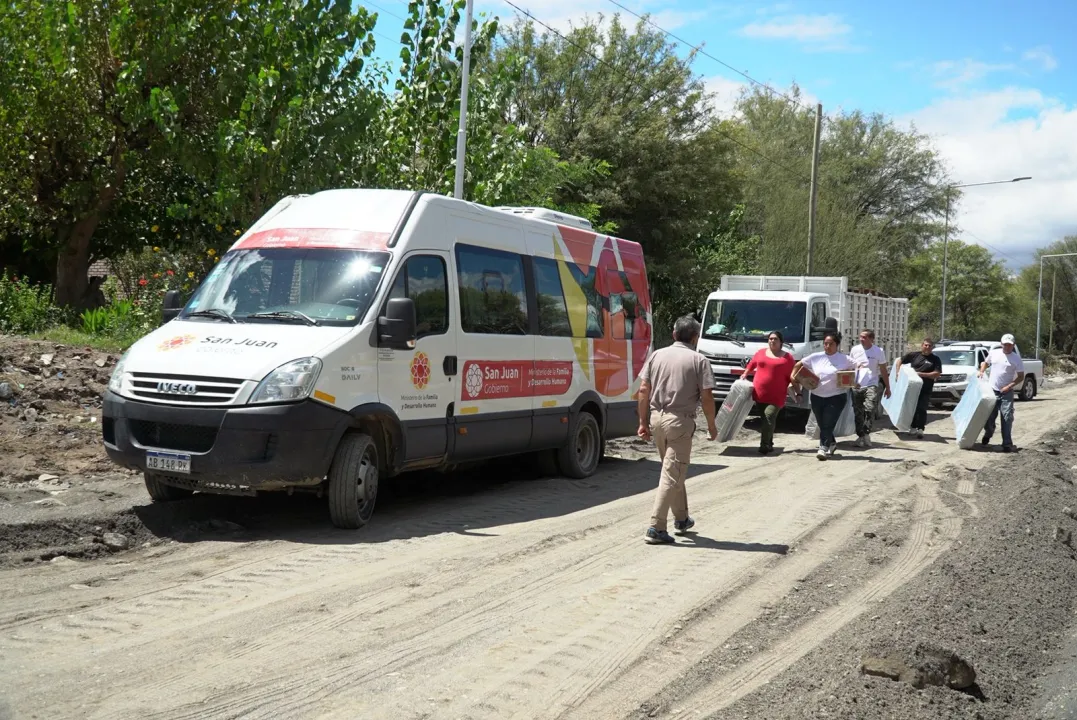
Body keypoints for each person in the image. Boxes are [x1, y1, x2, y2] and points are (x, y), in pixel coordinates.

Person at [637, 316, 718, 545]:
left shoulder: (656, 355)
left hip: (657, 419)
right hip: (680, 422)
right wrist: (712, 426)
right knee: (672, 473)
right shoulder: (699, 360)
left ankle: (681, 519)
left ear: (674, 334)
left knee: (673, 469)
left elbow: (644, 389)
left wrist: (643, 422)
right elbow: (707, 396)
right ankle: (656, 527)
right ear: (695, 337)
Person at [792, 331, 854, 460]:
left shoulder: (845, 359)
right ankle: (831, 443)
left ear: (837, 345)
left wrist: (853, 378)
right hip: (816, 395)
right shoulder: (816, 357)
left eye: (830, 344)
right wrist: (793, 376)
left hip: (837, 396)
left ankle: (823, 448)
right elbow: (799, 364)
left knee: (828, 422)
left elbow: (860, 366)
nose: (827, 346)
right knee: (821, 423)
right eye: (825, 343)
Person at [743, 330, 796, 454]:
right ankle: (770, 442)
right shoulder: (761, 353)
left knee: (768, 416)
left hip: (776, 395)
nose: (772, 341)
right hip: (759, 393)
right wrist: (745, 374)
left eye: (775, 339)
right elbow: (752, 364)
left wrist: (796, 390)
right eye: (770, 339)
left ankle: (764, 445)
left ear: (781, 342)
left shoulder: (787, 358)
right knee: (766, 420)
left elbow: (793, 375)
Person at [978, 333, 1025, 452]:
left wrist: (1009, 386)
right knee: (989, 417)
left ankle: (1007, 443)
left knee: (1007, 416)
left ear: (1013, 345)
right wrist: (981, 371)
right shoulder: (994, 353)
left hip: (1006, 392)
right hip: (992, 390)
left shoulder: (1016, 358)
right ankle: (988, 434)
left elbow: (1020, 376)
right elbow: (985, 363)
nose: (1007, 347)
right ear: (1001, 344)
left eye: (1009, 345)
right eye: (1005, 344)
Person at [848, 329, 892, 448]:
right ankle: (861, 436)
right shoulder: (855, 350)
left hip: (871, 383)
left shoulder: (878, 351)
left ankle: (867, 431)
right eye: (860, 337)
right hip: (857, 385)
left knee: (870, 407)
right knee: (858, 411)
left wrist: (888, 388)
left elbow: (883, 370)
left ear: (871, 339)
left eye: (864, 337)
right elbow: (850, 367)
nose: (861, 339)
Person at [895, 338, 943, 438]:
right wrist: (898, 373)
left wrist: (920, 374)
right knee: (911, 407)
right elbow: (899, 360)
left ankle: (920, 429)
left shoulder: (935, 359)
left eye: (930, 346)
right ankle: (912, 427)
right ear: (922, 345)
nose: (927, 347)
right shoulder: (913, 355)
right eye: (926, 345)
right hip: (912, 388)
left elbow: (936, 373)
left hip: (926, 388)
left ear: (932, 347)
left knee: (922, 408)